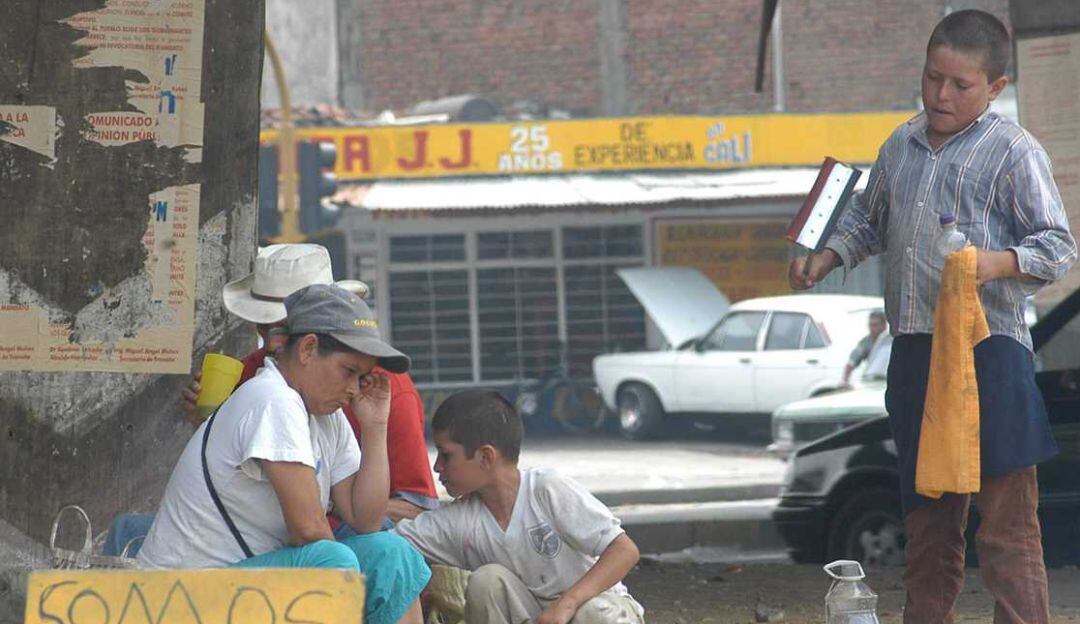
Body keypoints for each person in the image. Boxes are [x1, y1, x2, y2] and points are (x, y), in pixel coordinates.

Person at [789, 10, 1076, 623]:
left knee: (1005, 524)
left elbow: (1058, 247)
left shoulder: (1013, 152)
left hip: (990, 351)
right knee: (928, 521)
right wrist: (829, 255)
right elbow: (870, 220)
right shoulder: (900, 144)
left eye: (961, 85)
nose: (942, 95)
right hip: (916, 351)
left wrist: (992, 263)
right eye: (931, 78)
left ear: (996, 88)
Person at [137, 284, 431, 624]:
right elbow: (308, 529)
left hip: (242, 586)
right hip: (183, 596)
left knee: (393, 555)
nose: (354, 389)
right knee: (331, 564)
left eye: (362, 377)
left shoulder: (327, 416)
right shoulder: (273, 398)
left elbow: (366, 520)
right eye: (349, 371)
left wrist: (376, 427)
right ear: (307, 349)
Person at [183, 244, 438, 523]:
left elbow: (411, 509)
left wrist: (327, 499)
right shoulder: (258, 383)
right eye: (264, 328)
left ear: (309, 343)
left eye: (285, 329)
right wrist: (209, 421)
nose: (272, 343)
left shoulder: (382, 391)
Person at [394, 390, 644, 624]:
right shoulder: (460, 519)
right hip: (537, 616)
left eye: (446, 455)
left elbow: (625, 550)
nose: (437, 466)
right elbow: (389, 545)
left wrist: (567, 604)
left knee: (593, 614)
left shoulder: (546, 488)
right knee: (486, 581)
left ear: (485, 456)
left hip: (597, 608)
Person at [840, 310, 891, 387]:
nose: (872, 328)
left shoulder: (891, 340)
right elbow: (851, 363)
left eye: (875, 325)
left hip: (889, 380)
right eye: (870, 325)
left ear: (884, 325)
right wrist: (844, 382)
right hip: (874, 380)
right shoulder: (866, 342)